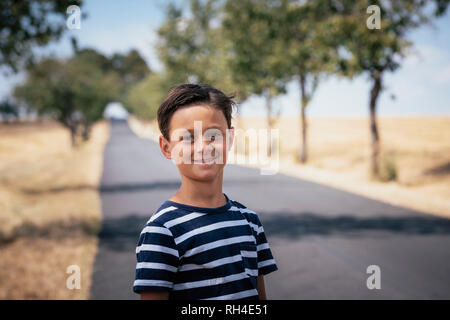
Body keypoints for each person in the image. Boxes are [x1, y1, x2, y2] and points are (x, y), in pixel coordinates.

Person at [133, 83, 278, 300]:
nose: (203, 147)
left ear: (230, 139)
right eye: (188, 137)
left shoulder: (249, 221)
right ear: (166, 147)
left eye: (213, 135)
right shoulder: (163, 231)